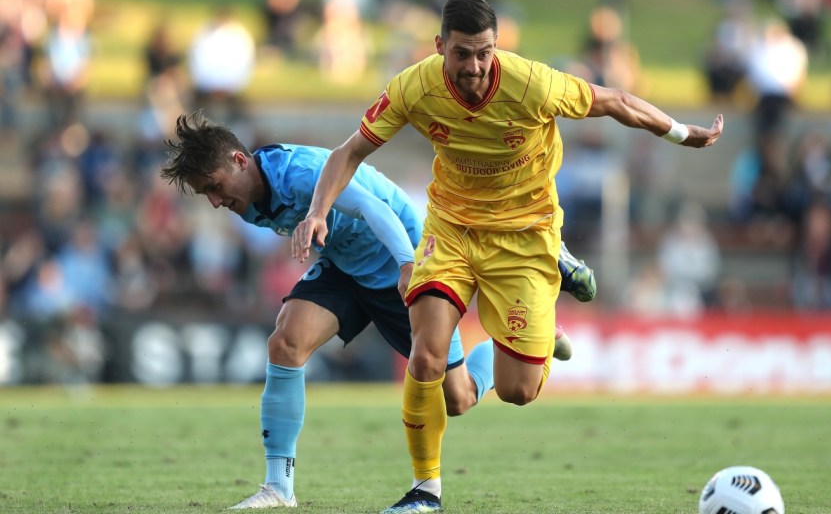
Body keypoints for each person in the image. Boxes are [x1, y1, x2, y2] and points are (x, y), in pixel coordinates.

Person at [293, 0, 723, 514]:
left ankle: (549, 293)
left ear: (496, 47)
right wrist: (318, 211)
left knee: (520, 390)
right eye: (462, 54)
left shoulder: (532, 82)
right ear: (439, 47)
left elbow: (615, 101)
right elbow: (350, 152)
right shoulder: (414, 86)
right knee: (427, 356)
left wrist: (682, 133)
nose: (474, 67)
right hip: (451, 230)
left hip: (524, 236)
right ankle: (425, 491)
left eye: (484, 53)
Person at [159, 110, 588, 509]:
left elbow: (373, 207)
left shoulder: (300, 173)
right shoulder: (246, 199)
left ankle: (529, 338)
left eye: (213, 187)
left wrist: (407, 264)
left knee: (458, 399)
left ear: (239, 161)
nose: (214, 201)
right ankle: (278, 487)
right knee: (285, 343)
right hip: (346, 264)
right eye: (205, 194)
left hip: (399, 254)